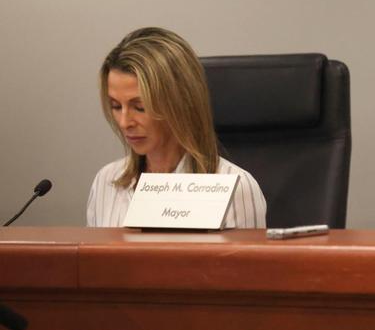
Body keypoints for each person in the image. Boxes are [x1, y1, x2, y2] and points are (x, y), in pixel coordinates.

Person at [87, 27, 267, 228]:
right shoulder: (106, 182)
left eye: (140, 107)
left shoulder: (236, 186)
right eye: (116, 106)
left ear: (178, 103)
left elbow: (247, 260)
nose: (124, 122)